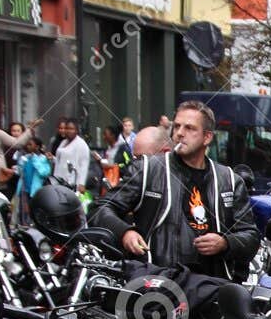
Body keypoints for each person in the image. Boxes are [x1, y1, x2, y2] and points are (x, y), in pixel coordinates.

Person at [90, 99, 257, 280]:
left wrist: (226, 243)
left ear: (207, 137)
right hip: (157, 285)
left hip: (211, 289)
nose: (179, 133)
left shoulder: (230, 180)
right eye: (176, 126)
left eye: (189, 128)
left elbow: (251, 236)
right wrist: (125, 232)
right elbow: (100, 209)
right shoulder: (147, 169)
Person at [14, 135, 52, 224]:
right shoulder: (26, 157)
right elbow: (20, 172)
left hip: (35, 191)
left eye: (30, 145)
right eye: (28, 145)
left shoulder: (43, 159)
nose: (28, 147)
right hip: (24, 189)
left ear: (37, 147)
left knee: (33, 212)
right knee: (23, 212)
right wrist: (20, 163)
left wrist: (35, 159)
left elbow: (44, 173)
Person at [51, 117, 92, 195]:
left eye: (71, 129)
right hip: (59, 180)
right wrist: (52, 159)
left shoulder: (81, 144)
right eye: (66, 128)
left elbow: (84, 165)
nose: (68, 131)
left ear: (76, 130)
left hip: (72, 182)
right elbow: (60, 161)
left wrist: (81, 183)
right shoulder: (63, 142)